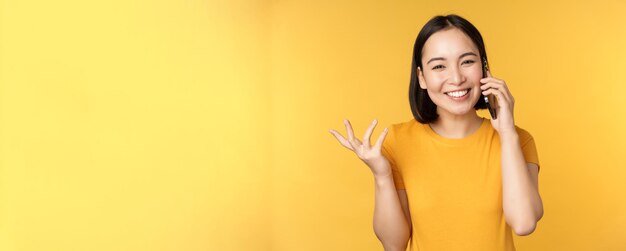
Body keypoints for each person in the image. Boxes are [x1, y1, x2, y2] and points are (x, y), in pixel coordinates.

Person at [329, 14, 542, 251]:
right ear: (421, 77)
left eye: (467, 62)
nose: (457, 78)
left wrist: (507, 133)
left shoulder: (518, 140)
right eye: (439, 66)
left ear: (484, 68)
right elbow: (393, 245)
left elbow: (524, 223)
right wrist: (382, 176)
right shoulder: (398, 141)